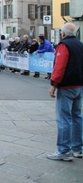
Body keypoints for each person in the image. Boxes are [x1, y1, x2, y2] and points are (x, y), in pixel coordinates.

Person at [47, 23, 83, 161]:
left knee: (64, 118)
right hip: (79, 85)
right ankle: (78, 148)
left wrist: (53, 85)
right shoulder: (80, 45)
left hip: (66, 86)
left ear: (63, 34)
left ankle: (64, 150)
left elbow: (59, 66)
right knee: (77, 117)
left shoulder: (64, 45)